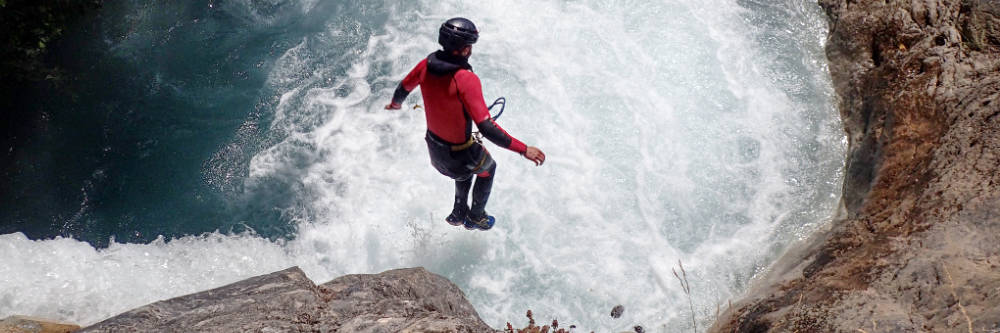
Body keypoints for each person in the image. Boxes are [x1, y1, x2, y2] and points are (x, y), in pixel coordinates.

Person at [385, 17, 545, 230]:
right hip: (458, 155)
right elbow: (487, 127)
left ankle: (458, 212)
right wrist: (524, 149)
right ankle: (476, 216)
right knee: (487, 168)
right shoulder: (465, 79)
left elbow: (402, 90)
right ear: (465, 50)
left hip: (435, 150)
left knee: (466, 168)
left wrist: (395, 105)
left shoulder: (425, 65)